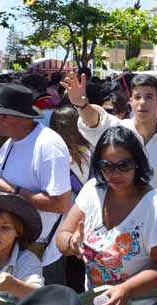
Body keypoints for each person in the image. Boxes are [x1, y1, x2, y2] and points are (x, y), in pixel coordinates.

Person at [56, 126, 157, 305]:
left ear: (137, 163)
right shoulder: (92, 190)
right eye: (107, 166)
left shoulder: (155, 205)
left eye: (124, 165)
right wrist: (71, 242)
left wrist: (127, 289)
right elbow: (62, 236)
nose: (115, 174)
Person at [0, 84, 72, 284]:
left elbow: (61, 204)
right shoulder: (10, 143)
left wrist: (13, 191)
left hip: (40, 256)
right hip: (10, 251)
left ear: (5, 117)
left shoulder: (49, 145)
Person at [62, 72, 157, 189]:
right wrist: (82, 105)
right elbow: (95, 123)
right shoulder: (118, 130)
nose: (142, 102)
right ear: (131, 101)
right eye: (137, 97)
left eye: (149, 97)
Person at [48, 106, 92, 292]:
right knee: (80, 273)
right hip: (85, 222)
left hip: (59, 225)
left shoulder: (52, 154)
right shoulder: (91, 151)